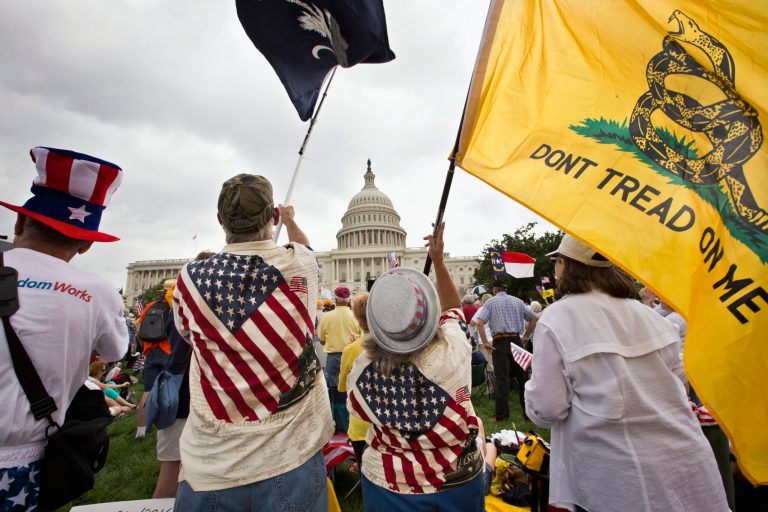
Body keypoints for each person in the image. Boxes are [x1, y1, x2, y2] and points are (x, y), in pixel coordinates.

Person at [524, 234, 730, 512]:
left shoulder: (556, 319)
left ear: (567, 265)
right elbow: (679, 382)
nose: (555, 270)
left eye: (558, 262)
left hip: (619, 476)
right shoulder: (652, 317)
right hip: (685, 459)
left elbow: (547, 410)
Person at [172, 174, 333, 510]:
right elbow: (305, 248)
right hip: (293, 461)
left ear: (220, 221)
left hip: (211, 466)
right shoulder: (300, 265)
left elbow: (188, 334)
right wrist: (290, 220)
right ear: (273, 217)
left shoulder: (190, 279)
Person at [0, 147, 128, 509]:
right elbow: (114, 352)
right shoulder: (97, 292)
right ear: (86, 243)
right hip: (21, 462)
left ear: (20, 224)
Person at [347, 222, 484, 511]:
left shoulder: (360, 372)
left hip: (388, 483)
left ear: (376, 325)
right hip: (455, 480)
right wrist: (438, 260)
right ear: (428, 314)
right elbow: (453, 309)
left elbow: (357, 410)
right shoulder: (455, 350)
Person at [475, 281, 538, 422]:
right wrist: (526, 336)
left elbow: (479, 322)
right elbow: (534, 318)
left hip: (500, 342)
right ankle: (528, 414)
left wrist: (485, 342)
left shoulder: (490, 302)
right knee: (523, 379)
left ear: (494, 289)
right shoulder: (518, 301)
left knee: (502, 379)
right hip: (516, 341)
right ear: (505, 289)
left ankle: (502, 416)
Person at [134, 278, 177, 440]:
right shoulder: (175, 306)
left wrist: (145, 347)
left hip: (151, 352)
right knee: (171, 391)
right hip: (169, 352)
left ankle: (141, 431)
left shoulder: (150, 306)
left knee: (148, 391)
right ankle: (167, 430)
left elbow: (139, 329)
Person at [317, 285, 360, 431]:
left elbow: (321, 339)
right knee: (354, 391)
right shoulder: (356, 315)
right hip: (354, 356)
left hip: (334, 359)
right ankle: (353, 424)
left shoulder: (327, 317)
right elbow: (362, 338)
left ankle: (340, 426)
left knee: (336, 393)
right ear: (348, 300)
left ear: (335, 299)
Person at [337, 292, 371, 469]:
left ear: (357, 318)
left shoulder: (351, 349)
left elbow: (343, 387)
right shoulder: (393, 344)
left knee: (364, 468)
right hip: (388, 421)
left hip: (360, 423)